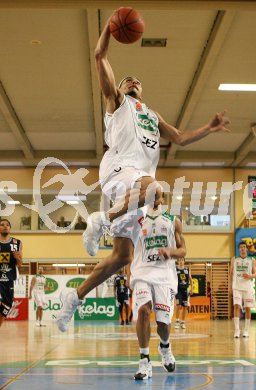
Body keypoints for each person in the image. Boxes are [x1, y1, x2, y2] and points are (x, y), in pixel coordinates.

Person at [56, 11, 230, 333]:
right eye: (128, 79)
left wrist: (209, 126)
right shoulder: (117, 102)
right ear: (121, 87)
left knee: (121, 257)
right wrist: (110, 28)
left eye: (138, 81)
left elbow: (179, 138)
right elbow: (99, 55)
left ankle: (73, 298)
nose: (133, 81)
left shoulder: (150, 113)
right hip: (121, 169)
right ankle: (101, 220)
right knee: (156, 189)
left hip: (131, 187)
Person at [130, 193, 186, 380]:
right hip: (142, 273)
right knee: (143, 311)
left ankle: (164, 346)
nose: (154, 197)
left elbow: (183, 250)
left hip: (164, 275)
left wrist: (171, 251)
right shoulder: (136, 219)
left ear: (163, 199)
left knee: (163, 323)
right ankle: (144, 361)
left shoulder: (173, 220)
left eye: (158, 194)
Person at [229, 242, 256, 338]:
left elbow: (255, 273)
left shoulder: (252, 260)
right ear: (239, 249)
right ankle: (237, 330)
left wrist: (250, 276)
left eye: (244, 247)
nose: (242, 249)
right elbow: (231, 273)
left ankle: (246, 330)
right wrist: (230, 286)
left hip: (247, 287)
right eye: (241, 247)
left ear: (247, 249)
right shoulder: (234, 259)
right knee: (236, 306)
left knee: (248, 308)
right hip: (237, 287)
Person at [0, 219, 22, 327]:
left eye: (7, 225)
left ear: (10, 228)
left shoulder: (16, 243)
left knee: (6, 307)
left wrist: (18, 259)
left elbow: (19, 264)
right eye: (2, 225)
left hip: (9, 280)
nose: (5, 226)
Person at [175, 258, 194, 330]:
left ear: (184, 261)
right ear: (178, 261)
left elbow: (191, 280)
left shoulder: (187, 270)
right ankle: (177, 321)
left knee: (185, 306)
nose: (180, 261)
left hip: (185, 290)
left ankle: (183, 322)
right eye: (179, 260)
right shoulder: (175, 270)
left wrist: (192, 288)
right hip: (178, 290)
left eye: (182, 260)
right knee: (178, 305)